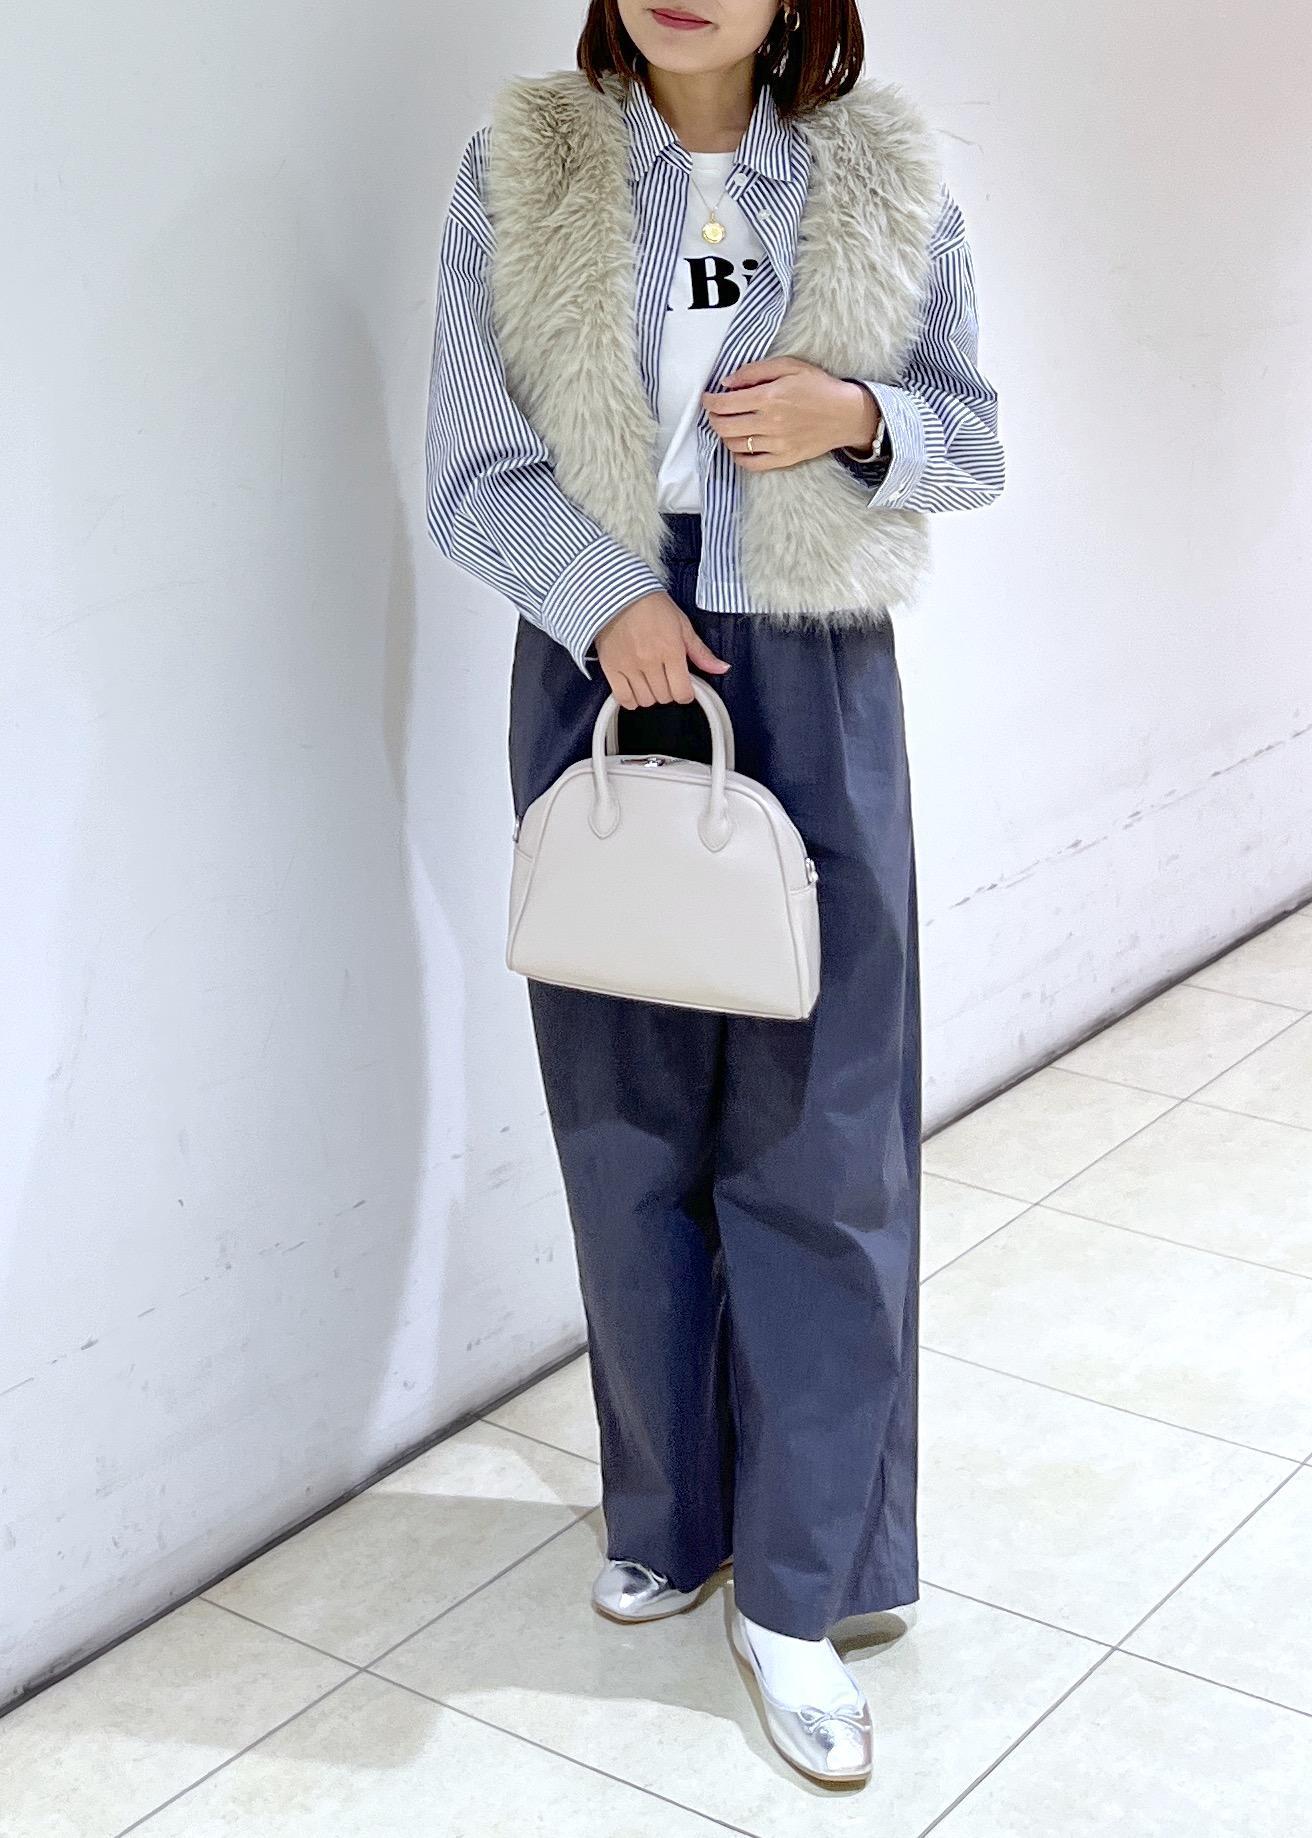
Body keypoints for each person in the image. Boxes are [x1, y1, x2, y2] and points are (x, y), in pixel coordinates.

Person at [425, 0, 1003, 1788]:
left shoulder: (883, 176)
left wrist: (859, 414)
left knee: (826, 1138)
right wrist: (606, 597)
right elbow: (470, 461)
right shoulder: (521, 167)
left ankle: (804, 1588)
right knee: (624, 1116)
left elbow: (974, 439)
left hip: (812, 665)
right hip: (600, 656)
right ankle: (668, 1511)